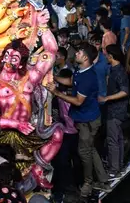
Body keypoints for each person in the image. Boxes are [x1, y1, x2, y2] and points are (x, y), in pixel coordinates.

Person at [45, 44, 110, 198]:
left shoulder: (88, 78)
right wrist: (53, 77)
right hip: (84, 118)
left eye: (79, 52)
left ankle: (88, 183)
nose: (76, 54)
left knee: (84, 152)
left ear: (85, 57)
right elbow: (70, 81)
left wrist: (56, 92)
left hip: (88, 120)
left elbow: (78, 101)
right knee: (90, 149)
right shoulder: (80, 71)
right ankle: (103, 179)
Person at [49, 68, 80, 202]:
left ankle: (62, 191)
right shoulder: (68, 95)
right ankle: (74, 185)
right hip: (70, 132)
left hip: (69, 133)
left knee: (63, 163)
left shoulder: (66, 96)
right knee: (70, 162)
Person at [99, 45, 129, 177]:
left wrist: (107, 98)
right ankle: (119, 165)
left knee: (112, 140)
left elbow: (125, 91)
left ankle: (114, 169)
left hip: (116, 111)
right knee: (119, 138)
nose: (105, 57)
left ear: (111, 56)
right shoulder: (114, 69)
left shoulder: (118, 72)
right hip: (115, 110)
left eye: (106, 55)